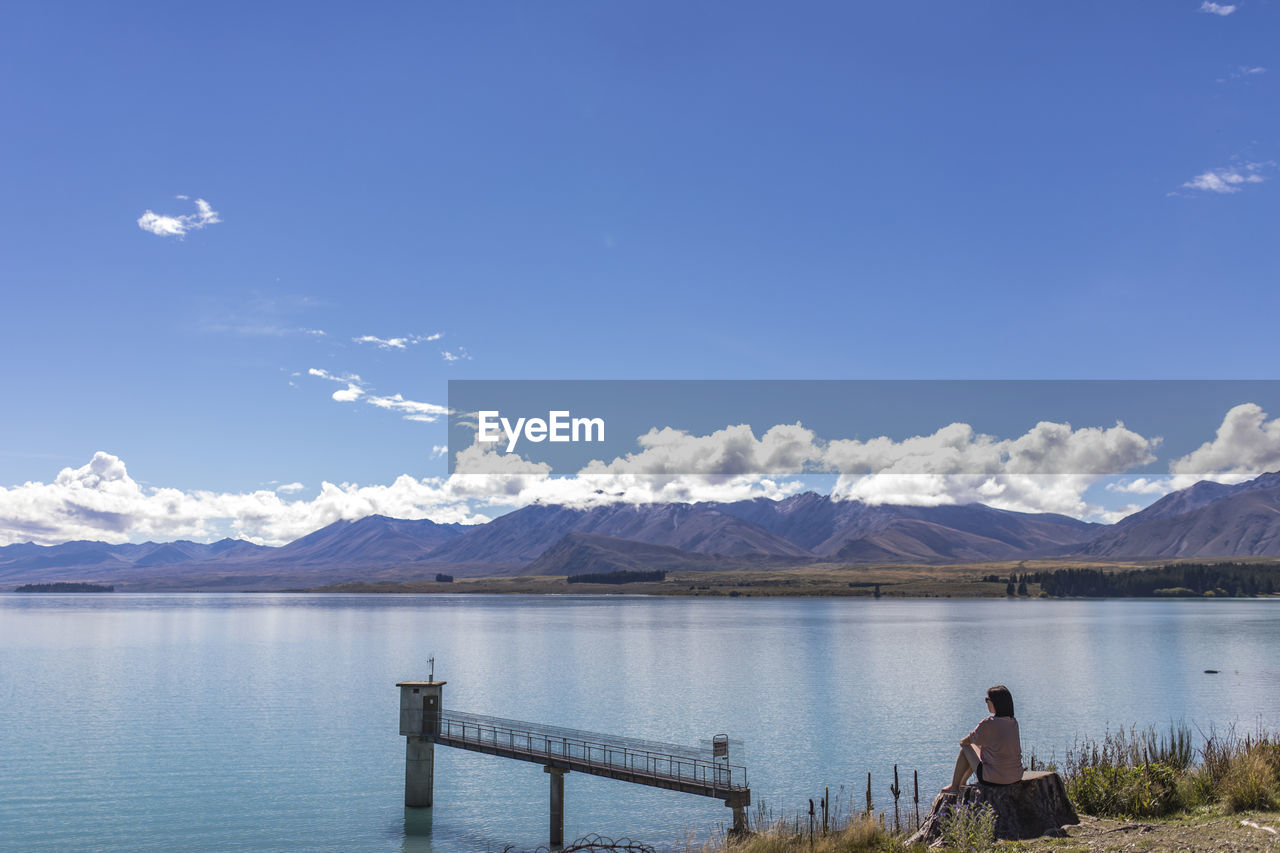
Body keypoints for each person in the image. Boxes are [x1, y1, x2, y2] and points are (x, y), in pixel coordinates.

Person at [942, 685, 1023, 792]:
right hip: (1016, 776)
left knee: (966, 748)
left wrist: (966, 743)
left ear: (996, 702)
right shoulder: (1013, 722)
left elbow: (965, 741)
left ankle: (955, 786)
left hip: (994, 779)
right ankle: (960, 785)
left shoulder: (988, 723)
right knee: (976, 750)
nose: (986, 703)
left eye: (987, 700)